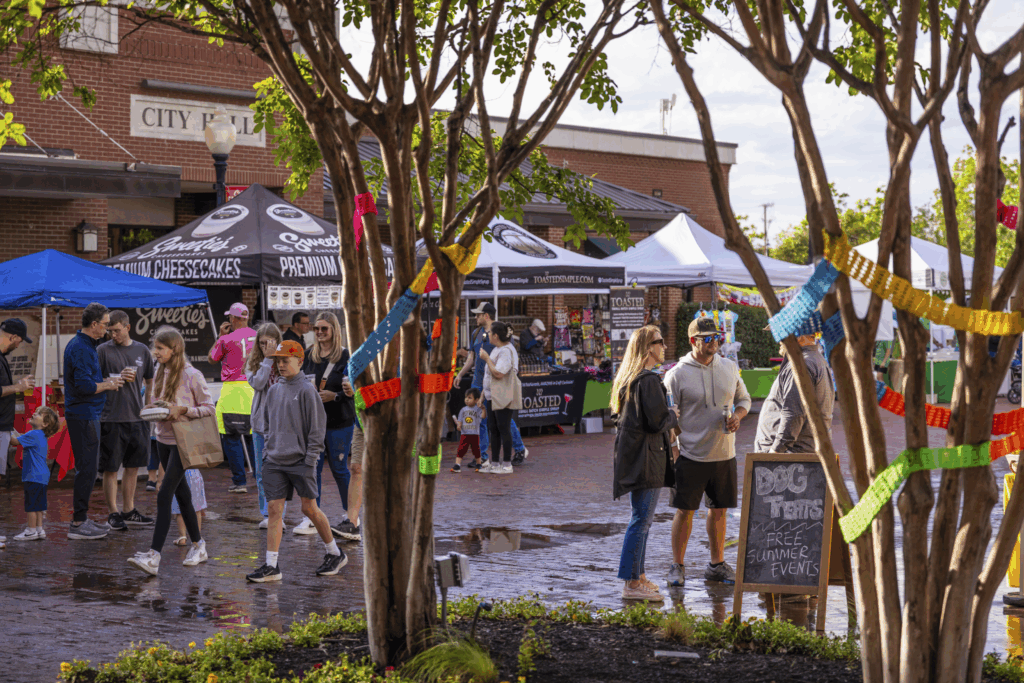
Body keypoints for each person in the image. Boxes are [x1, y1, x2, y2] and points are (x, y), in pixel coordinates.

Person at [246, 340, 346, 582]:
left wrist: (310, 460)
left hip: (301, 461)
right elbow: (267, 425)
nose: (280, 365)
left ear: (299, 362)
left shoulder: (307, 391)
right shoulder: (274, 390)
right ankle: (271, 565)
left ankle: (335, 552)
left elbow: (316, 429)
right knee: (274, 511)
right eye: (278, 361)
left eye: (285, 360)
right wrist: (267, 453)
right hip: (275, 461)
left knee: (309, 508)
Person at [663, 316, 751, 587]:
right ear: (694, 341)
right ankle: (677, 566)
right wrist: (675, 451)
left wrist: (738, 415)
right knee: (684, 511)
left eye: (717, 338)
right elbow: (668, 418)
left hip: (724, 454)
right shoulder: (676, 374)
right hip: (689, 455)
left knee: (720, 510)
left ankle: (716, 564)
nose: (715, 342)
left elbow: (744, 399)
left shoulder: (729, 367)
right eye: (708, 338)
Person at [128, 327, 213, 576]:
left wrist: (183, 410)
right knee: (183, 494)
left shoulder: (192, 374)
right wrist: (156, 407)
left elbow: (209, 407)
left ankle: (154, 556)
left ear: (174, 348)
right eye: (155, 348)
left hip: (184, 442)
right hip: (163, 438)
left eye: (160, 348)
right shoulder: (161, 371)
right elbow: (160, 401)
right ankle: (199, 545)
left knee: (164, 494)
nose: (155, 352)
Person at [611, 325, 677, 602]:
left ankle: (637, 575)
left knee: (642, 519)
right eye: (660, 342)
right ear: (649, 347)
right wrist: (673, 413)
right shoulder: (648, 380)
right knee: (641, 520)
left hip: (636, 457)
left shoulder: (630, 378)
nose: (664, 347)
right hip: (647, 458)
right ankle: (632, 583)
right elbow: (658, 420)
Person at [65, 302, 125, 540]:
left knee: (88, 469)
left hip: (86, 414)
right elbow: (84, 386)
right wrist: (109, 384)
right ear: (94, 325)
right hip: (84, 414)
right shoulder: (81, 347)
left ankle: (82, 519)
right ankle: (79, 523)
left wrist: (107, 382)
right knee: (87, 469)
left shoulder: (84, 344)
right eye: (105, 324)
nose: (108, 329)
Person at [300, 312, 360, 541]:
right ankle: (313, 516)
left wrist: (334, 396)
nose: (319, 333)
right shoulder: (309, 355)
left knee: (339, 468)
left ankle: (351, 516)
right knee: (312, 469)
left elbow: (353, 391)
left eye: (324, 329)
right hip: (313, 422)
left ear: (334, 330)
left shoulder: (346, 356)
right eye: (316, 329)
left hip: (339, 421)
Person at [97, 310, 156, 531]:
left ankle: (129, 510)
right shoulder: (102, 351)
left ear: (127, 327)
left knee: (133, 467)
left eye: (117, 331)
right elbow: (93, 381)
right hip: (111, 417)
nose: (113, 335)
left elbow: (150, 380)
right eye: (109, 331)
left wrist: (148, 405)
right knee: (111, 469)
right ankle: (113, 512)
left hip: (137, 418)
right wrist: (115, 378)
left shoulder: (142, 350)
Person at [454, 303, 528, 466]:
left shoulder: (499, 333)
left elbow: (509, 354)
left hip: (497, 382)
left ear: (486, 316)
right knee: (478, 418)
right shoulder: (475, 333)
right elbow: (471, 358)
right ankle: (483, 457)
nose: (475, 317)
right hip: (478, 381)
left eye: (478, 314)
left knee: (502, 419)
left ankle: (519, 447)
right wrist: (460, 373)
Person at [754, 333, 836, 454]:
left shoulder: (801, 364)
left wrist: (775, 450)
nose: (779, 340)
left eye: (782, 334)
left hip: (789, 457)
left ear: (801, 335)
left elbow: (794, 414)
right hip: (800, 452)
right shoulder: (815, 359)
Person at [209, 302, 257, 493]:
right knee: (255, 436)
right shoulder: (259, 336)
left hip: (232, 389)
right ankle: (260, 477)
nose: (229, 319)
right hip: (254, 388)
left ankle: (240, 481)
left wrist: (220, 336)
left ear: (235, 319)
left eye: (231, 317)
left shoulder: (227, 339)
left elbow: (212, 357)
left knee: (231, 435)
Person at [247, 322, 285, 530]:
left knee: (280, 471)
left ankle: (279, 516)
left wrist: (276, 358)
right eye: (261, 343)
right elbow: (259, 383)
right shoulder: (253, 362)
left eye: (269, 343)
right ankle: (265, 513)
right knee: (262, 472)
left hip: (282, 424)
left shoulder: (286, 360)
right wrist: (268, 360)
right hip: (261, 424)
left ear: (277, 342)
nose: (264, 347)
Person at [9, 407, 60, 541]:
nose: (34, 414)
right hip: (42, 476)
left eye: (38, 414)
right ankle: (39, 529)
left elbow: (14, 441)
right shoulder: (40, 435)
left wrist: (4, 430)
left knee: (31, 505)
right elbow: (20, 437)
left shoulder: (34, 434)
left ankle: (30, 531)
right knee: (39, 505)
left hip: (33, 475)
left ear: (45, 424)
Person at [479, 321, 522, 474]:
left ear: (496, 336)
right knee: (494, 428)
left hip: (503, 394)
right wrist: (483, 395)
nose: (488, 335)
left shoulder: (505, 351)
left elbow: (499, 373)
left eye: (490, 333)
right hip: (493, 395)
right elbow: (489, 376)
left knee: (503, 428)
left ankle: (507, 464)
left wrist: (486, 358)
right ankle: (495, 463)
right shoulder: (498, 349)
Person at [1, 318, 34, 483]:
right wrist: (17, 387)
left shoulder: (2, 357)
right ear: (13, 337)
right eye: (19, 341)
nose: (18, 345)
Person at [452, 387, 485, 472]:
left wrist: (484, 409)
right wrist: (459, 426)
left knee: (476, 449)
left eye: (469, 398)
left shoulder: (478, 409)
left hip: (474, 434)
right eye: (466, 397)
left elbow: (483, 417)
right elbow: (460, 420)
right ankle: (457, 465)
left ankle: (479, 464)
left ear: (476, 400)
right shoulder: (463, 410)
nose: (466, 400)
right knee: (461, 449)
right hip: (464, 434)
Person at [172, 468, 207, 545]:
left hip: (179, 474)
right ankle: (197, 538)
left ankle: (182, 537)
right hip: (195, 474)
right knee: (197, 509)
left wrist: (159, 480)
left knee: (180, 508)